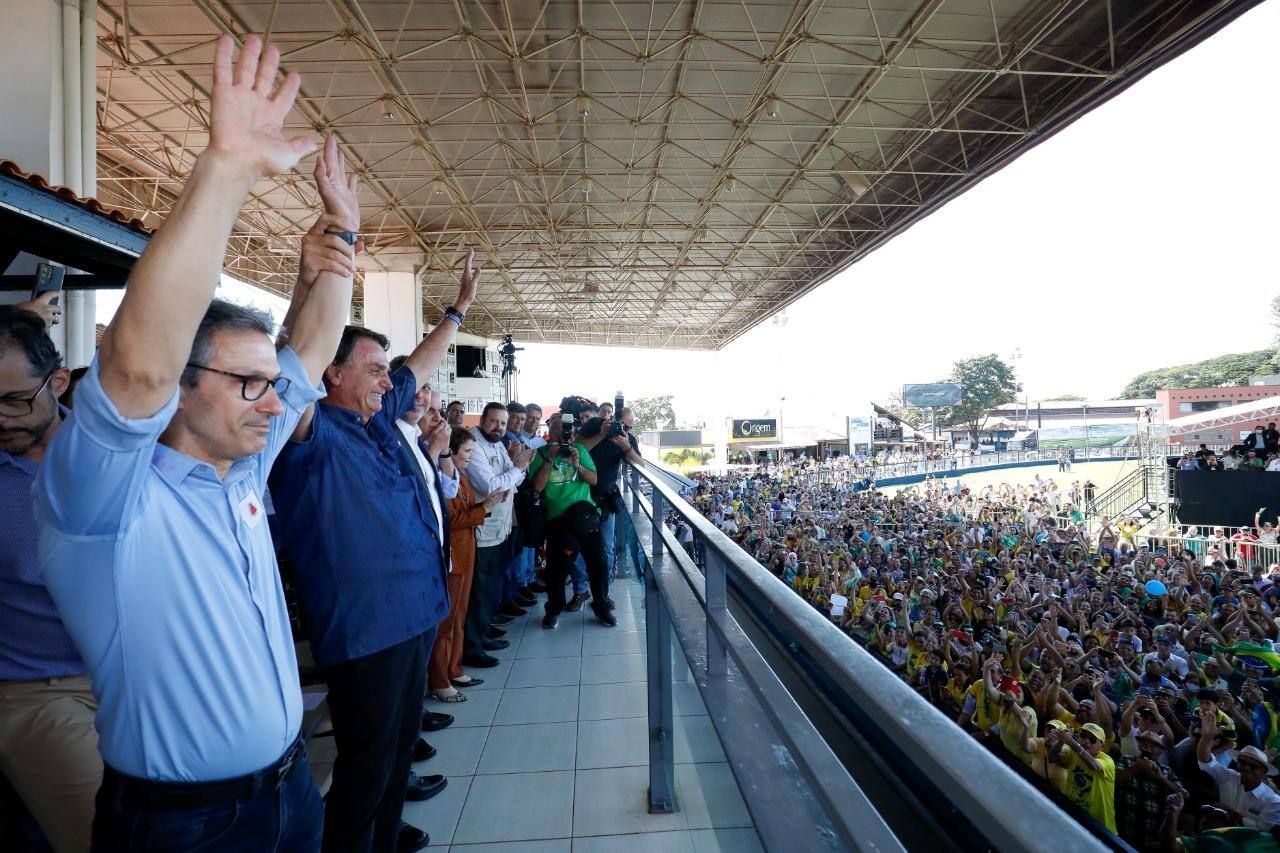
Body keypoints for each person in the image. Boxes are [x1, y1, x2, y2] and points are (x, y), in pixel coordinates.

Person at [34, 35, 346, 850]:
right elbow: (136, 365)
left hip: (288, 795)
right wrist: (226, 168)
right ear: (183, 382)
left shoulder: (241, 463)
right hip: (186, 827)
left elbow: (312, 351)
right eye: (250, 382)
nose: (275, 401)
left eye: (267, 383)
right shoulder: (100, 497)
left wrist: (341, 241)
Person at [268, 227, 480, 853]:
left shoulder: (377, 420)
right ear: (328, 373)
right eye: (373, 370)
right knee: (364, 770)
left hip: (415, 619)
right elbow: (287, 369)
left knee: (394, 761)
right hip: (366, 633)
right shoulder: (309, 437)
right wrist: (313, 281)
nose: (390, 383)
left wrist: (459, 310)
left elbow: (420, 364)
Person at [0, 306, 100, 853]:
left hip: (131, 678)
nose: (0, 418)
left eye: (15, 400)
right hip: (37, 693)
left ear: (59, 382)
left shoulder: (113, 456)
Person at [429, 427, 505, 701]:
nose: (470, 458)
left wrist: (486, 504)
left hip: (466, 552)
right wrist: (483, 509)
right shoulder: (446, 481)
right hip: (454, 555)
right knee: (446, 621)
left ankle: (454, 667)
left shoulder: (458, 477)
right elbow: (450, 521)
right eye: (467, 451)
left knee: (459, 615)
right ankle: (440, 678)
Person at [462, 403, 534, 667]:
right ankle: (472, 647)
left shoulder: (499, 444)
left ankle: (484, 633)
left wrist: (517, 468)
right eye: (494, 421)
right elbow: (490, 485)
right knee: (478, 592)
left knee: (490, 587)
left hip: (500, 528)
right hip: (482, 532)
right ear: (482, 420)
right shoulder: (475, 445)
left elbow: (514, 481)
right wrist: (515, 469)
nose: (499, 427)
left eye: (502, 423)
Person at [531, 412, 615, 629]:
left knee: (598, 564)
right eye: (560, 432)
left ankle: (601, 606)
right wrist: (551, 458)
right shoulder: (540, 454)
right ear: (550, 434)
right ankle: (554, 609)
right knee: (556, 571)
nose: (565, 436)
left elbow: (594, 479)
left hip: (585, 517)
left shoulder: (581, 450)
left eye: (568, 431)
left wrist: (577, 464)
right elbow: (538, 487)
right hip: (558, 520)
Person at [1196, 707, 1280, 831]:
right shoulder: (1229, 777)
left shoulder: (1273, 801)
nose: (1246, 767)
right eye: (1242, 762)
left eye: (1253, 766)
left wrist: (1230, 813)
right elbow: (1205, 761)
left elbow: (1264, 830)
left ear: (1264, 773)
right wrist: (1207, 738)